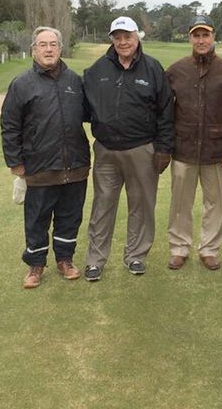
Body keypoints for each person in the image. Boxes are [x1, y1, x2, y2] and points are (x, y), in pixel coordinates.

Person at [81, 16, 174, 281]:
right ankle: (95, 260)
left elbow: (166, 112)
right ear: (112, 39)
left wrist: (164, 148)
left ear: (137, 37)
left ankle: (136, 256)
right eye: (118, 37)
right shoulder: (97, 70)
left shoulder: (152, 68)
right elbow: (85, 109)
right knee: (102, 205)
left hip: (142, 149)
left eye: (128, 36)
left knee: (141, 205)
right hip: (106, 150)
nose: (123, 42)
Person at [1, 26, 90, 289]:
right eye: (43, 45)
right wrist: (15, 161)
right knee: (37, 219)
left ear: (60, 48)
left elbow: (92, 114)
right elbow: (9, 126)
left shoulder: (75, 81)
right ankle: (36, 264)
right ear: (34, 50)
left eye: (53, 44)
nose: (48, 49)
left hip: (75, 166)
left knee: (70, 217)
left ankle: (65, 260)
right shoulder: (21, 84)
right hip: (39, 168)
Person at [165, 13, 222, 271]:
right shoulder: (176, 71)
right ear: (190, 38)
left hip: (217, 150)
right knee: (180, 202)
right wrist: (166, 145)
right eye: (196, 35)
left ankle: (209, 249)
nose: (201, 40)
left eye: (205, 35)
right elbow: (165, 113)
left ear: (213, 36)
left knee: (215, 203)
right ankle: (179, 247)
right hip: (183, 148)